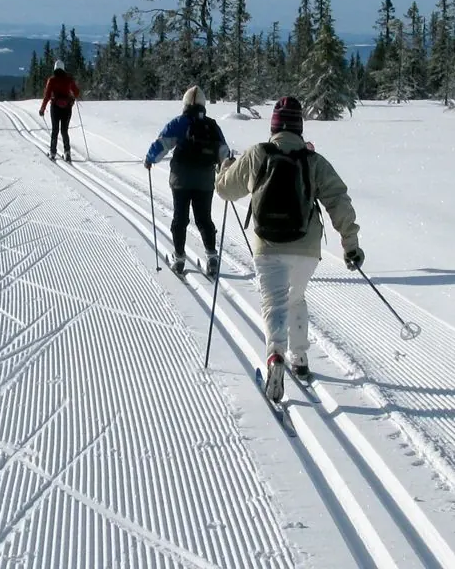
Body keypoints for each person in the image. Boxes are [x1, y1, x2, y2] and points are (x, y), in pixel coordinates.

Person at [215, 96, 363, 398]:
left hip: (267, 245)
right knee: (296, 298)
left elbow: (225, 191)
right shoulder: (314, 160)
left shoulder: (258, 153)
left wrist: (225, 167)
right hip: (306, 248)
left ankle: (275, 356)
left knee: (274, 304)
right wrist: (350, 244)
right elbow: (338, 201)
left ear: (274, 125)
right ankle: (300, 358)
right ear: (299, 127)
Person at [145, 86, 231, 278]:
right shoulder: (212, 126)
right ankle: (212, 257)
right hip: (205, 180)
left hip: (181, 179)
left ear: (185, 104)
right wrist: (227, 171)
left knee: (180, 218)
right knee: (204, 218)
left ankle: (179, 259)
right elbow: (224, 152)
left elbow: (162, 144)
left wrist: (150, 159)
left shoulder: (179, 122)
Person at [39, 62, 81, 161]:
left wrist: (42, 108)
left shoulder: (52, 80)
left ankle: (53, 153)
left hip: (55, 108)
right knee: (64, 130)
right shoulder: (69, 79)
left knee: (55, 130)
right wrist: (72, 96)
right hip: (67, 108)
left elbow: (47, 96)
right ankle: (67, 153)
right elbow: (77, 92)